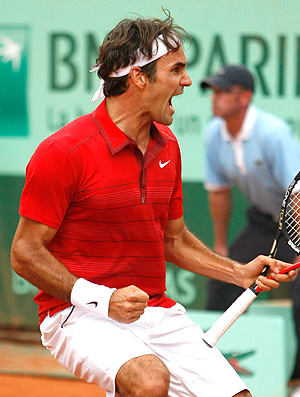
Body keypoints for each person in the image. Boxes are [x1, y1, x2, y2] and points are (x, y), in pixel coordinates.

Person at [11, 16, 294, 397]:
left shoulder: (168, 146)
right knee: (148, 381)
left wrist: (239, 273)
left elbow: (172, 240)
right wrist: (102, 298)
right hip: (76, 313)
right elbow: (25, 253)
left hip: (153, 311)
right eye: (176, 70)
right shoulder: (63, 152)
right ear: (139, 78)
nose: (188, 81)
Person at [200, 64, 300, 390]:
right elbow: (219, 193)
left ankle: (297, 379)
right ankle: (207, 369)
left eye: (222, 91)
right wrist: (221, 247)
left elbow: (297, 194)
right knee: (223, 278)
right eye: (213, 91)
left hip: (296, 219)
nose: (214, 98)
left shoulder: (273, 133)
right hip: (263, 221)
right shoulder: (214, 134)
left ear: (245, 97)